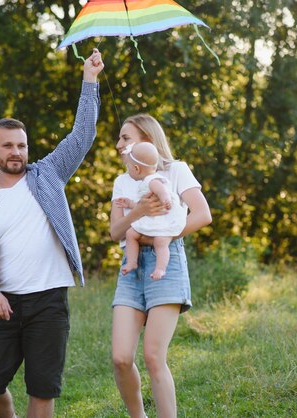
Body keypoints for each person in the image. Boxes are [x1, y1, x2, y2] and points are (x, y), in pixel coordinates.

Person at [0, 49, 103, 418]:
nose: (16, 152)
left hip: (49, 302)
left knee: (42, 389)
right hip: (2, 306)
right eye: (8, 145)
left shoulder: (48, 175)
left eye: (21, 145)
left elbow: (82, 134)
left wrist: (89, 80)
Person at [110, 114, 212, 418]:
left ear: (147, 140)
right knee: (120, 358)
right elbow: (116, 233)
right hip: (131, 265)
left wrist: (160, 237)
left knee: (154, 357)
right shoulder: (122, 181)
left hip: (166, 262)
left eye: (126, 138)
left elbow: (202, 214)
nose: (119, 145)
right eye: (120, 138)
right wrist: (137, 211)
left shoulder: (175, 171)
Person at [114, 142, 187, 280]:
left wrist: (165, 198)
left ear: (136, 168)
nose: (127, 170)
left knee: (161, 241)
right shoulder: (145, 182)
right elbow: (144, 204)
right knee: (130, 234)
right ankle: (132, 262)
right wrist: (129, 203)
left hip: (163, 218)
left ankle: (160, 268)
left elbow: (161, 190)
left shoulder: (152, 180)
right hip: (151, 218)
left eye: (128, 167)